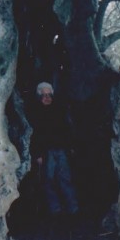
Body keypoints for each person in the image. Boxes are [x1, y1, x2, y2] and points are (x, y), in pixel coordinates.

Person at [28, 82, 79, 220]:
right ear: (39, 96)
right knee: (48, 181)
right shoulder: (35, 113)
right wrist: (37, 154)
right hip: (46, 153)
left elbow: (66, 130)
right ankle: (55, 209)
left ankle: (73, 208)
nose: (47, 97)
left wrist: (70, 148)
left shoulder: (59, 110)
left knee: (65, 179)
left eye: (49, 94)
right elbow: (34, 135)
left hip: (61, 151)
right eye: (43, 95)